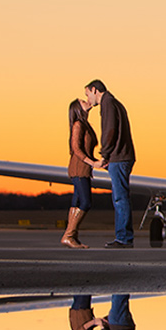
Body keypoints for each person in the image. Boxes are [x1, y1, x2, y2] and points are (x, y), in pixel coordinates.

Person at [84, 80, 136, 248]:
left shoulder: (108, 103)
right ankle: (123, 236)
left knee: (120, 198)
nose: (88, 99)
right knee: (120, 197)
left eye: (87, 94)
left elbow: (109, 130)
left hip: (118, 157)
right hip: (121, 156)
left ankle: (124, 238)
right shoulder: (114, 102)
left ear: (94, 90)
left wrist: (104, 155)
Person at [61, 99, 100, 248]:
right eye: (83, 101)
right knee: (86, 202)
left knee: (76, 202)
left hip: (83, 167)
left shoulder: (85, 124)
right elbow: (76, 149)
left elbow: (86, 150)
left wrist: (97, 162)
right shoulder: (78, 124)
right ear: (78, 108)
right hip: (79, 168)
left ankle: (72, 237)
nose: (87, 101)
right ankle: (69, 235)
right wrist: (92, 163)